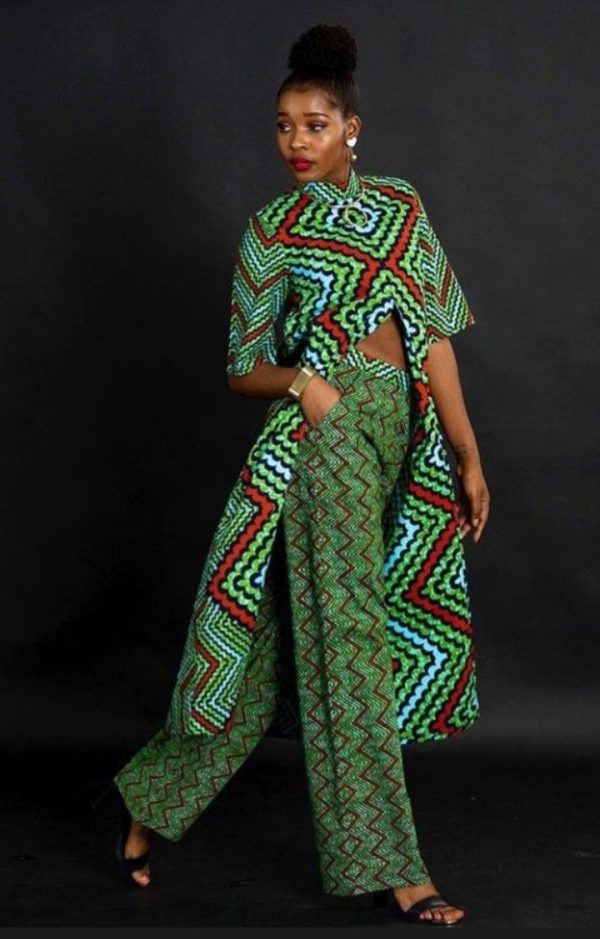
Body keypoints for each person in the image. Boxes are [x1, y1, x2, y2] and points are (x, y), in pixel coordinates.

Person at [92, 23, 490, 927]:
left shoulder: (402, 207)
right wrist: (307, 383)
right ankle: (395, 868)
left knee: (272, 656)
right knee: (349, 646)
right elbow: (243, 367)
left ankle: (147, 807)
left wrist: (467, 452)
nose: (295, 142)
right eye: (283, 125)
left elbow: (432, 337)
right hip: (324, 442)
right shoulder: (271, 233)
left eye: (314, 124)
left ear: (352, 127)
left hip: (402, 441)